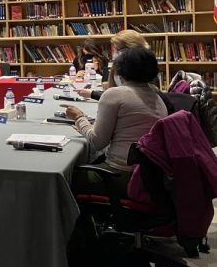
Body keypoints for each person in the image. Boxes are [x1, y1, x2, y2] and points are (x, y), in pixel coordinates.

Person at [62, 47, 169, 194]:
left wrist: (79, 118)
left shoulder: (114, 94)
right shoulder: (157, 96)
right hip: (151, 176)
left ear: (120, 71)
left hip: (120, 175)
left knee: (64, 180)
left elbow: (97, 143)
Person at [76, 30, 148, 100]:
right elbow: (113, 89)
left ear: (131, 48)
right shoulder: (121, 65)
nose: (115, 53)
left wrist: (92, 94)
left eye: (118, 49)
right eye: (114, 49)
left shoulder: (142, 68)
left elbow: (126, 97)